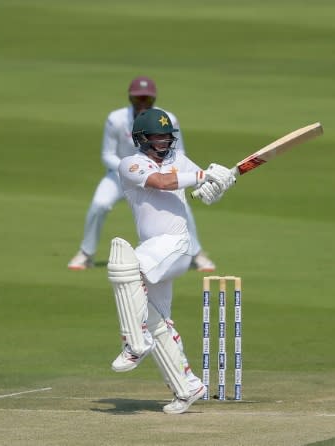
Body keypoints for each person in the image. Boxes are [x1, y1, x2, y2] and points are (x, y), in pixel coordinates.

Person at [107, 108, 235, 414]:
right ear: (141, 138)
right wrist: (203, 176)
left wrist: (217, 185)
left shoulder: (180, 161)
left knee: (124, 265)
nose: (164, 141)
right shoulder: (130, 164)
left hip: (176, 246)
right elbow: (163, 182)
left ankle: (134, 343)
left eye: (167, 136)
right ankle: (187, 385)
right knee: (156, 319)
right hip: (154, 249)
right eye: (157, 136)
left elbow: (201, 187)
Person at [67, 76, 217, 272]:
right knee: (100, 204)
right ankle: (86, 253)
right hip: (119, 175)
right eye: (138, 99)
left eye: (147, 99)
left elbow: (179, 153)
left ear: (154, 99)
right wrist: (133, 170)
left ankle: (197, 254)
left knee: (182, 208)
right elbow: (107, 155)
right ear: (130, 99)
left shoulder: (168, 119)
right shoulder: (116, 119)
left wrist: (210, 178)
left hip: (162, 172)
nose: (142, 103)